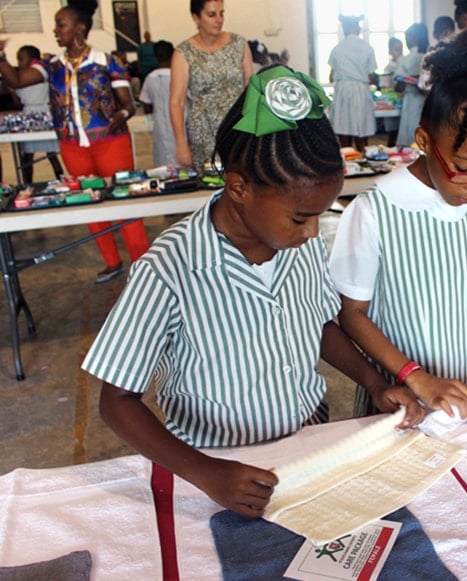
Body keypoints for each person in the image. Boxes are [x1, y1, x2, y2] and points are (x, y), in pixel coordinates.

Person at [83, 64, 424, 517]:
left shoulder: (296, 245)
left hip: (307, 443)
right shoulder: (170, 267)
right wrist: (206, 473)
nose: (310, 232)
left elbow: (318, 323)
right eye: (301, 217)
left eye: (317, 217)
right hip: (219, 465)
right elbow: (117, 400)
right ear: (239, 187)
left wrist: (373, 382)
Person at [329, 31, 467, 420]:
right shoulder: (375, 210)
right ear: (424, 141)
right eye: (463, 169)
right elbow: (352, 314)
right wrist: (414, 376)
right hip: (403, 403)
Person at [0, 0, 149, 284]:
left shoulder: (107, 61)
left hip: (110, 142)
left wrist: (121, 115)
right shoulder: (51, 65)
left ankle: (142, 265)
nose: (56, 31)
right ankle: (111, 261)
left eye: (61, 24)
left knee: (125, 199)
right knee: (87, 200)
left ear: (79, 28)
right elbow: (18, 80)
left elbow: (128, 103)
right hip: (72, 146)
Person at [170, 0, 253, 170]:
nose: (219, 20)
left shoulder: (239, 44)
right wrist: (181, 144)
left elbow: (251, 90)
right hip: (204, 132)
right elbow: (176, 102)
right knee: (212, 182)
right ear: (196, 18)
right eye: (211, 15)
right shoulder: (184, 52)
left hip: (238, 128)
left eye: (221, 13)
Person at [12, 45, 63, 183]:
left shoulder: (37, 76)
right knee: (46, 154)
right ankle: (32, 182)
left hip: (35, 114)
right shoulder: (26, 77)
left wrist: (12, 90)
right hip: (42, 113)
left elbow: (18, 103)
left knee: (33, 155)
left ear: (33, 60)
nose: (19, 63)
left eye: (21, 59)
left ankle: (28, 183)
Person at [327, 15, 377, 152]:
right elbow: (371, 77)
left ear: (345, 29)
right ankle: (364, 158)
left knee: (343, 129)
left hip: (343, 90)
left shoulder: (337, 49)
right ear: (358, 29)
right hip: (361, 90)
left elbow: (331, 76)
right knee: (361, 128)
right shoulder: (367, 48)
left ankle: (347, 161)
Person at [138, 40, 176, 167]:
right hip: (179, 126)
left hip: (160, 128)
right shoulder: (178, 76)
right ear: (173, 55)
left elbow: (147, 107)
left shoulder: (150, 78)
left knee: (163, 165)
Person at [395, 22, 428, 147]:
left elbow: (399, 88)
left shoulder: (403, 59)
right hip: (424, 101)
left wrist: (404, 79)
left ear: (413, 38)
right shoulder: (429, 55)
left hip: (411, 99)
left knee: (409, 133)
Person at [382, 37, 403, 147]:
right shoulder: (388, 68)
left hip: (403, 101)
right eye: (396, 49)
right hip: (392, 102)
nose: (399, 52)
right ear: (390, 51)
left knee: (403, 130)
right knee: (392, 132)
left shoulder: (404, 64)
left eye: (401, 49)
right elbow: (384, 88)